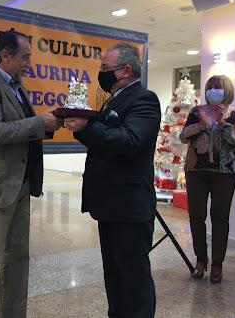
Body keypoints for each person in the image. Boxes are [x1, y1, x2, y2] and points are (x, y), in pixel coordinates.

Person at [64, 43, 161, 317]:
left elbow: (130, 141)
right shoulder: (113, 98)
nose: (101, 73)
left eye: (106, 68)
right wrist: (80, 128)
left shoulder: (145, 99)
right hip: (109, 204)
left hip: (130, 206)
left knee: (134, 280)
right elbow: (104, 141)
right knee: (115, 276)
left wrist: (89, 127)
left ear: (126, 70)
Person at [0, 30, 61, 318]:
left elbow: (22, 130)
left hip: (21, 187)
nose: (28, 63)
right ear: (4, 55)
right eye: (24, 57)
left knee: (18, 259)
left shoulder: (17, 89)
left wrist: (47, 122)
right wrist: (38, 122)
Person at [180, 75, 235, 283]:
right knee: (196, 215)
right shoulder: (196, 111)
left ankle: (217, 264)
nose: (213, 91)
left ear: (226, 90)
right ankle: (201, 260)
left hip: (225, 173)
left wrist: (221, 122)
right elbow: (182, 136)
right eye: (210, 87)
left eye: (218, 87)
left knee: (220, 216)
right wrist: (200, 124)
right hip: (196, 171)